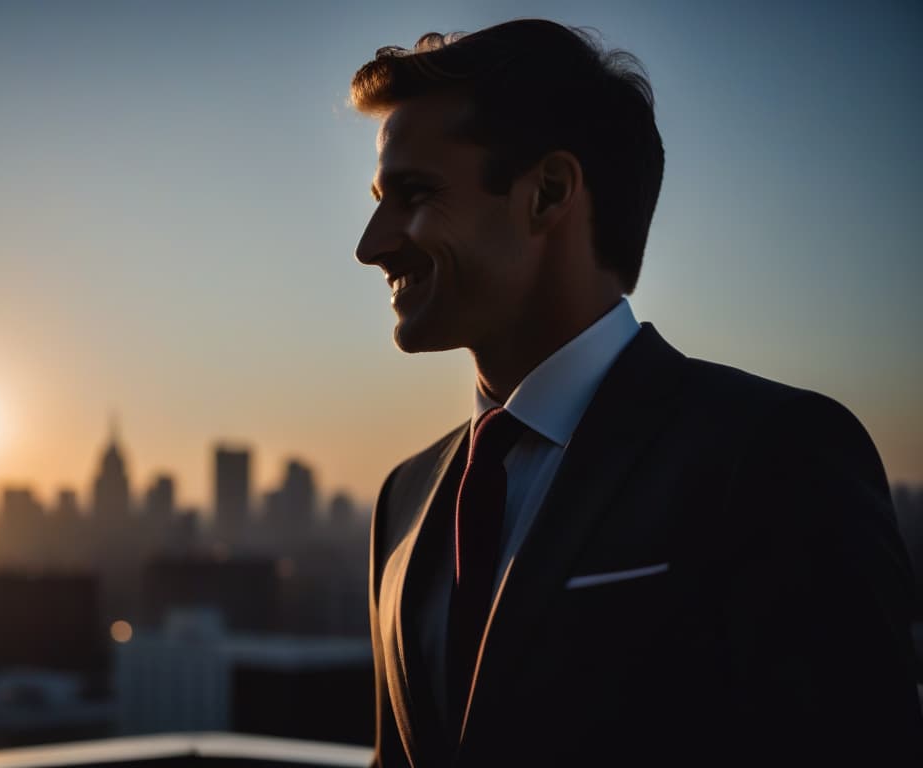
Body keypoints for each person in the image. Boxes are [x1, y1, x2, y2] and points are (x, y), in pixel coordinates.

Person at [351, 19, 922, 767]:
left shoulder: (774, 455)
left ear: (548, 193)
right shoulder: (404, 499)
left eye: (414, 194)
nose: (371, 244)